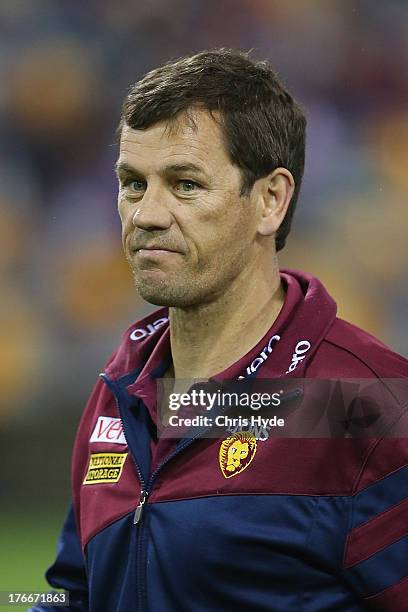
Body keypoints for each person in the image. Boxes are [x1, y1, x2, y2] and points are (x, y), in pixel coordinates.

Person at [32, 49, 408, 611]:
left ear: (270, 201)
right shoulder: (120, 395)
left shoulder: (369, 404)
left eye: (184, 184)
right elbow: (78, 596)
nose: (146, 214)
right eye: (133, 184)